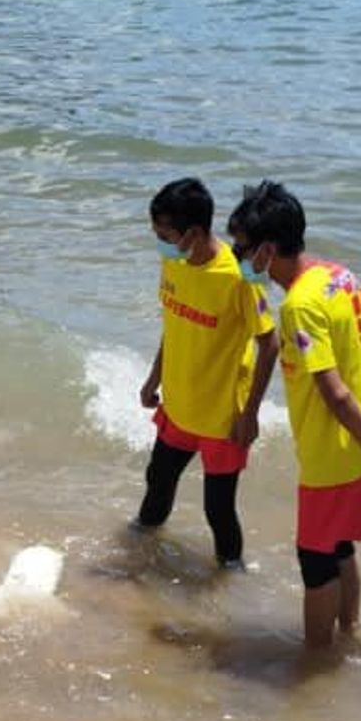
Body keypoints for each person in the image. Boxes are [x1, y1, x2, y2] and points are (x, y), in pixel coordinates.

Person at [227, 179, 361, 650]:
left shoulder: (298, 306)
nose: (237, 257)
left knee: (314, 559)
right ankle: (348, 632)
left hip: (335, 457)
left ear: (268, 250)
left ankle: (315, 662)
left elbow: (332, 393)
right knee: (339, 548)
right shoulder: (342, 278)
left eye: (243, 248)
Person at [136, 176, 279, 568]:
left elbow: (270, 343)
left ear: (193, 233)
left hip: (223, 416)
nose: (159, 241)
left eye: (164, 234)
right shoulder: (174, 261)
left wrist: (249, 415)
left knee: (218, 509)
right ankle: (138, 558)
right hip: (180, 400)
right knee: (157, 481)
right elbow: (173, 321)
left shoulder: (237, 279)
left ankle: (230, 583)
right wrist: (154, 379)